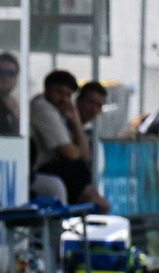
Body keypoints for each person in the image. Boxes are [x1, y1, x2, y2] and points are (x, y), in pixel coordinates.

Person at [30, 70, 110, 213]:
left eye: (67, 95)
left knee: (78, 169)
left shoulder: (62, 112)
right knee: (74, 169)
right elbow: (72, 154)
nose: (64, 99)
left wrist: (76, 121)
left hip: (48, 172)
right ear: (47, 89)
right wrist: (76, 147)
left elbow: (84, 156)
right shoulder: (42, 108)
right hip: (34, 172)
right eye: (59, 93)